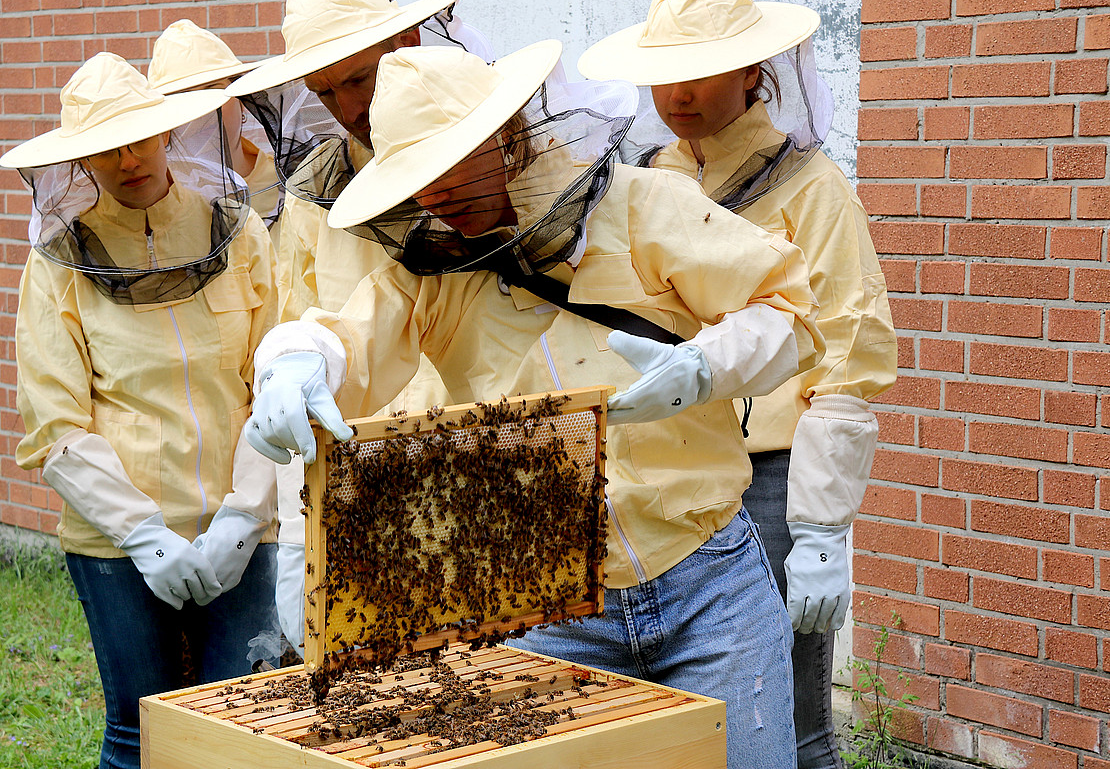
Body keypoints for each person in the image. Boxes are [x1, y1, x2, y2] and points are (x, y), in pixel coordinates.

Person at [243, 40, 827, 768]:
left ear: (505, 131)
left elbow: (789, 309)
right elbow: (347, 336)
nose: (436, 196)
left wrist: (706, 366)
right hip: (545, 601)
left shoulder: (642, 206)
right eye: (416, 178)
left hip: (708, 581)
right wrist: (294, 363)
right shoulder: (431, 268)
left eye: (451, 162)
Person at [578, 0, 898, 766]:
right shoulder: (642, 181)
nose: (676, 93)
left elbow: (848, 355)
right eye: (666, 71)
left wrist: (822, 530)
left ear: (754, 72)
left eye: (702, 70)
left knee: (790, 719)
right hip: (664, 477)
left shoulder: (814, 189)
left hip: (772, 480)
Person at [1, 52, 279, 769]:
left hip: (240, 531)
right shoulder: (57, 264)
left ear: (165, 134)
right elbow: (58, 425)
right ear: (80, 163)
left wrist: (245, 515)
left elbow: (270, 391)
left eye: (139, 138)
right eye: (105, 149)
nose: (128, 160)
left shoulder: (240, 234)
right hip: (116, 546)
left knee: (236, 735)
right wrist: (142, 532)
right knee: (138, 735)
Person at [224, 0, 487, 657]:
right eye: (324, 91)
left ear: (406, 43)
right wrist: (294, 546)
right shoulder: (313, 198)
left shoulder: (481, 158)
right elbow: (294, 363)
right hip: (362, 494)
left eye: (359, 79)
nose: (347, 106)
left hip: (485, 483)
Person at [147, 18, 283, 244]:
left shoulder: (286, 179)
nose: (204, 110)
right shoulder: (155, 197)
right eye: (184, 95)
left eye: (213, 89)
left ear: (241, 98)